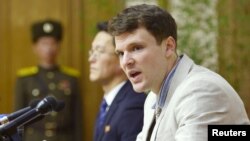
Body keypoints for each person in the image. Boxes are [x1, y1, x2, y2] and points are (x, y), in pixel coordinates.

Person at [108, 4, 250, 141]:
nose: (126, 61)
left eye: (136, 48)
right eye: (120, 53)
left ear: (169, 46)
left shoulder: (201, 91)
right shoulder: (152, 98)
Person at [14, 19, 83, 141]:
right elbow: (18, 119)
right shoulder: (25, 79)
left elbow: (77, 120)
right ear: (35, 47)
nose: (49, 48)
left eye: (53, 43)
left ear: (59, 46)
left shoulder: (71, 78)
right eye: (44, 43)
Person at [88, 21, 147, 141]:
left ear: (122, 58)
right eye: (92, 51)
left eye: (99, 51)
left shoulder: (133, 104)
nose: (91, 59)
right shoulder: (108, 102)